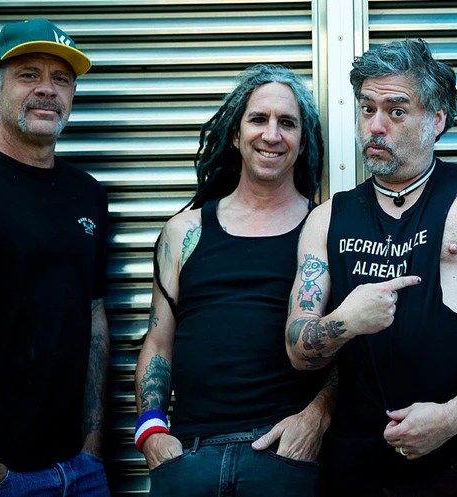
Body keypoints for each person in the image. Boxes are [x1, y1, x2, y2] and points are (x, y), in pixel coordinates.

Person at [285, 38, 457, 496]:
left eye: (396, 111)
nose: (376, 126)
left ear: (437, 119)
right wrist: (345, 321)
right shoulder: (326, 219)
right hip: (358, 475)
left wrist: (452, 418)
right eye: (367, 109)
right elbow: (298, 348)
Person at [134, 64, 336, 497]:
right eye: (258, 119)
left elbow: (351, 347)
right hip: (189, 460)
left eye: (287, 123)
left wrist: (317, 417)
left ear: (303, 142)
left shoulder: (326, 227)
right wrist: (150, 430)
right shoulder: (184, 232)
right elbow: (159, 342)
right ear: (235, 134)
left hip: (285, 461)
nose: (271, 134)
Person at [0, 18, 110, 496]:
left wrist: (93, 445)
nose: (48, 90)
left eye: (62, 79)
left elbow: (93, 314)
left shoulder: (87, 194)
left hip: (81, 470)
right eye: (29, 75)